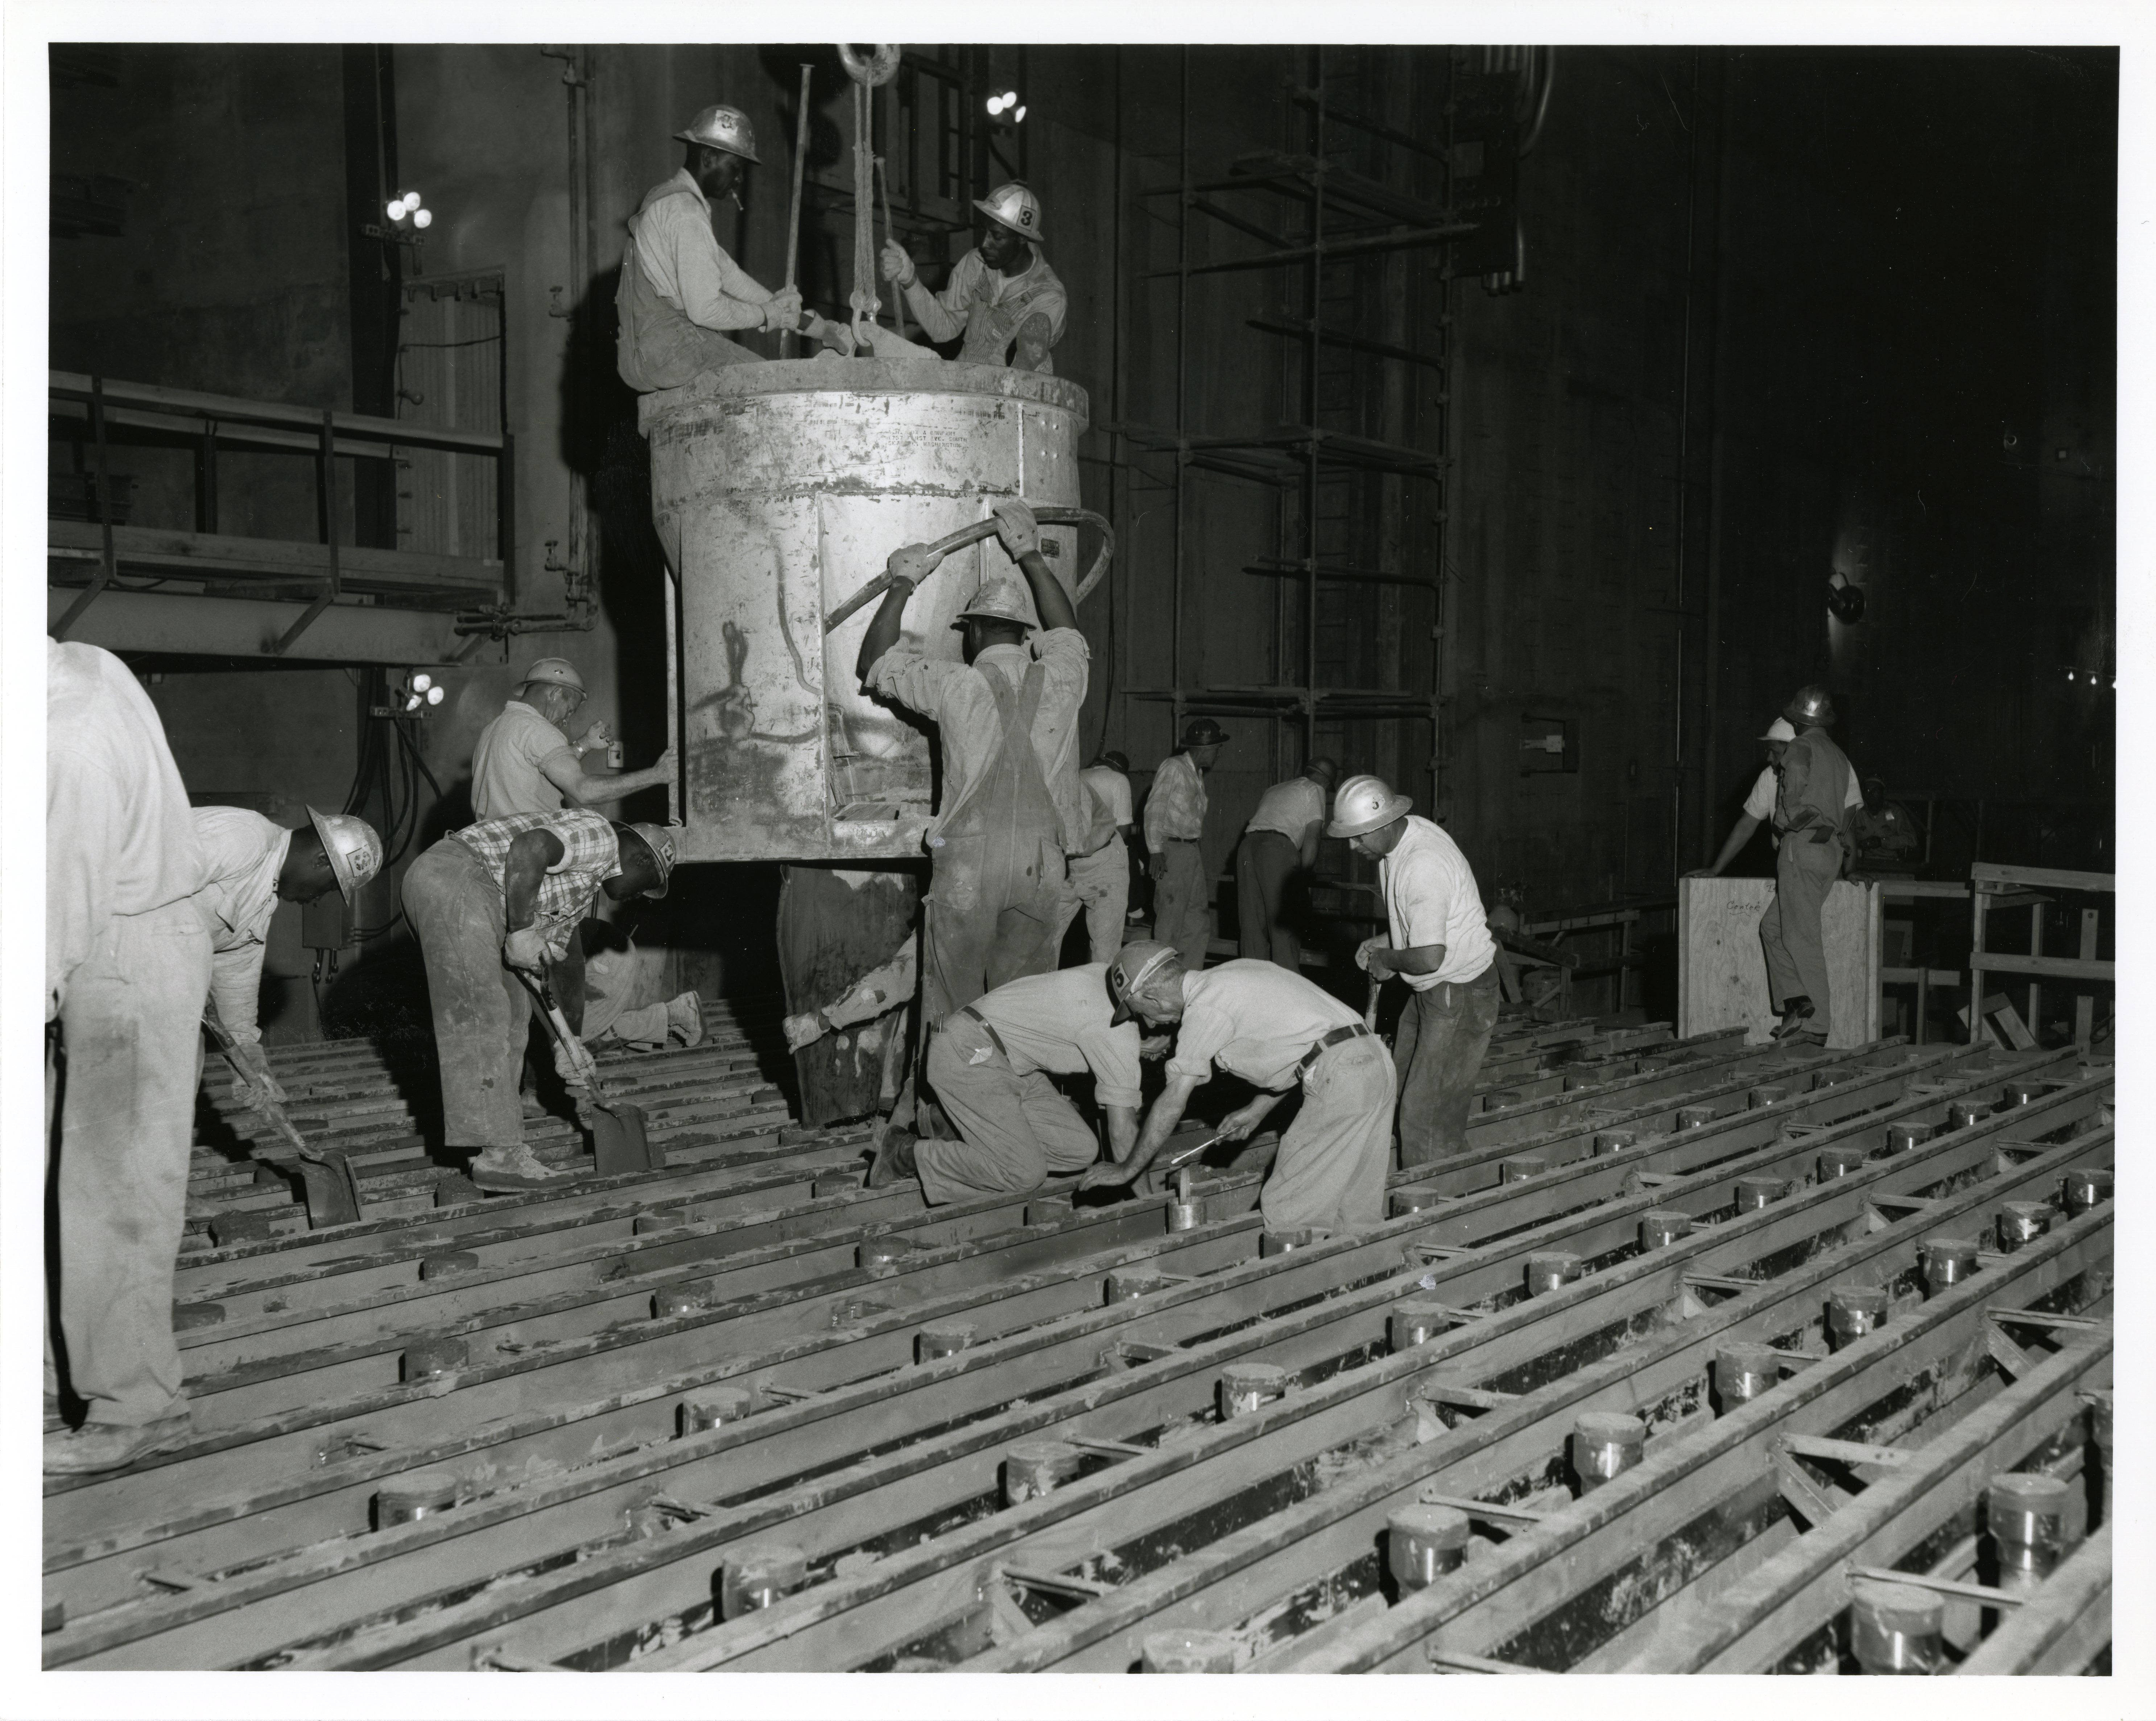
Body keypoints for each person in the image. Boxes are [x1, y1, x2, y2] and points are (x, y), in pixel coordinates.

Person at [45, 639, 212, 1473]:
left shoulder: (67, 741)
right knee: (60, 1178)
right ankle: (55, 1378)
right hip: (127, 931)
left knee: (111, 1192)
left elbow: (54, 913)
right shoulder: (82, 662)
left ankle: (138, 1407)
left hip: (125, 957)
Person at [857, 498, 1089, 1023]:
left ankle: (953, 1094)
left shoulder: (956, 683)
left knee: (953, 1006)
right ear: (1025, 635)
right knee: (1024, 1007)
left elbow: (873, 661)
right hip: (1042, 862)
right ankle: (1014, 1089)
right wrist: (1028, 553)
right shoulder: (1062, 679)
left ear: (975, 633)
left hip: (969, 863)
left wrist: (904, 581)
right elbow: (1068, 632)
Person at [403, 809, 675, 1192]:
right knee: (485, 1014)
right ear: (642, 859)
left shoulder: (579, 894)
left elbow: (539, 976)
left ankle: (499, 1150)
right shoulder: (601, 837)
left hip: (479, 897)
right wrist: (522, 930)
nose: (635, 898)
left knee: (514, 1014)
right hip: (463, 879)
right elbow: (530, 847)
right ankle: (499, 1155)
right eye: (643, 887)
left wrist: (564, 1043)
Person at [1083, 943, 1395, 1233]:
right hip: (1373, 1061)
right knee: (1354, 1210)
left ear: (1152, 998)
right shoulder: (1236, 973)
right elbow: (1304, 1045)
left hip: (1342, 1073)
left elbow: (1172, 1101)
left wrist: (1127, 1170)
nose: (1150, 1025)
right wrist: (1258, 1110)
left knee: (1289, 1210)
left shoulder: (1205, 1006)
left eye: (1142, 1014)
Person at [471, 656, 676, 1050]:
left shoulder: (498, 728)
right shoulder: (539, 730)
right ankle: (572, 1072)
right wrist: (657, 775)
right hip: (530, 874)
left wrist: (583, 744)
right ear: (555, 693)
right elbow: (580, 791)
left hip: (494, 870)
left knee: (526, 994)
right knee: (567, 975)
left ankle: (556, 1067)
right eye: (570, 706)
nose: (567, 716)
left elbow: (544, 770)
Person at [616, 103, 850, 392]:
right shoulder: (687, 215)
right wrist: (768, 315)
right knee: (780, 389)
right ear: (710, 157)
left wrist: (805, 322)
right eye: (736, 168)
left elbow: (730, 275)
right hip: (673, 350)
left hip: (655, 351)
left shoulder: (671, 202)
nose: (739, 179)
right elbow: (705, 312)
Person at [1329, 773, 1499, 1166]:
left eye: (1359, 836)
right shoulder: (1400, 842)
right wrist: (1386, 940)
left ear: (1385, 823)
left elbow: (1428, 957)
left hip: (1460, 990)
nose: (1353, 846)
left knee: (1425, 1117)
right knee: (1403, 1085)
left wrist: (1388, 960)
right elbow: (1422, 922)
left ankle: (1432, 1209)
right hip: (1434, 990)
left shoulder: (1423, 862)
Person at [868, 963, 1144, 1203]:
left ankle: (958, 1127)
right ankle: (905, 1153)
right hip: (970, 1053)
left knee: (1080, 1150)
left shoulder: (1122, 979)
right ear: (1151, 1001)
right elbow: (1123, 1132)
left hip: (1013, 1066)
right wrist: (1153, 1202)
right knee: (1024, 1175)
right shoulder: (1121, 1031)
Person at [193, 805, 384, 1097]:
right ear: (321, 861)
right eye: (330, 887)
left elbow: (235, 970)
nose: (318, 897)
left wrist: (247, 1054)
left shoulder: (262, 902)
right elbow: (140, 890)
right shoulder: (245, 836)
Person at [879, 181, 1067, 373]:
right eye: (985, 232)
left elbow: (1012, 359)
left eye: (997, 237)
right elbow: (942, 328)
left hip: (1019, 391)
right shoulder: (977, 263)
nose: (985, 244)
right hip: (970, 380)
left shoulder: (1049, 295)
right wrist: (909, 279)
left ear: (1021, 238)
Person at [1759, 685, 1855, 1045]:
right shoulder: (1839, 755)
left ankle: (1817, 1029)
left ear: (1798, 720)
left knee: (1801, 939)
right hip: (1827, 847)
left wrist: (1792, 815)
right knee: (1773, 928)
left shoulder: (1801, 747)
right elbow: (1846, 809)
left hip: (1803, 845)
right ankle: (1799, 1001)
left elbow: (1795, 777)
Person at [1687, 716, 1860, 881]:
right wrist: (1715, 869)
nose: (1769, 758)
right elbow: (1746, 825)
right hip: (1789, 861)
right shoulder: (1769, 777)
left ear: (1794, 750)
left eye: (1774, 752)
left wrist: (1850, 871)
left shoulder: (1838, 767)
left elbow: (1847, 826)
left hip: (1826, 862)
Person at [1236, 756, 1339, 969]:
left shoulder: (1275, 789)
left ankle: (1252, 988)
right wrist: (1302, 877)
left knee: (1252, 928)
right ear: (1326, 782)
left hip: (1247, 849)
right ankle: (1287, 989)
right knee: (1285, 927)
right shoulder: (1315, 790)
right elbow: (1313, 836)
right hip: (1277, 850)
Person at [1144, 718, 1228, 973]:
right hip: (1173, 850)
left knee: (1197, 920)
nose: (1219, 753)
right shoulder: (1175, 767)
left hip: (1190, 851)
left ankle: (1188, 977)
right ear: (1204, 748)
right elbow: (1155, 808)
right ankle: (1158, 979)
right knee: (1171, 921)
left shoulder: (1196, 774)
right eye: (1217, 748)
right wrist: (1155, 850)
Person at [1055, 748, 1136, 964]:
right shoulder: (1119, 780)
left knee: (1048, 940)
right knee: (1105, 947)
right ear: (1121, 770)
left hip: (1067, 864)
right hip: (1103, 864)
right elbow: (1124, 829)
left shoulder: (1076, 775)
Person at [1847, 776, 1920, 876]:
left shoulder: (1896, 812)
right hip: (1862, 864)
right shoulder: (1857, 813)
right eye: (1867, 790)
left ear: (1883, 792)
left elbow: (1911, 840)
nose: (1871, 793)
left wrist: (1882, 842)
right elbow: (1845, 837)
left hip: (1891, 865)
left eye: (1875, 790)